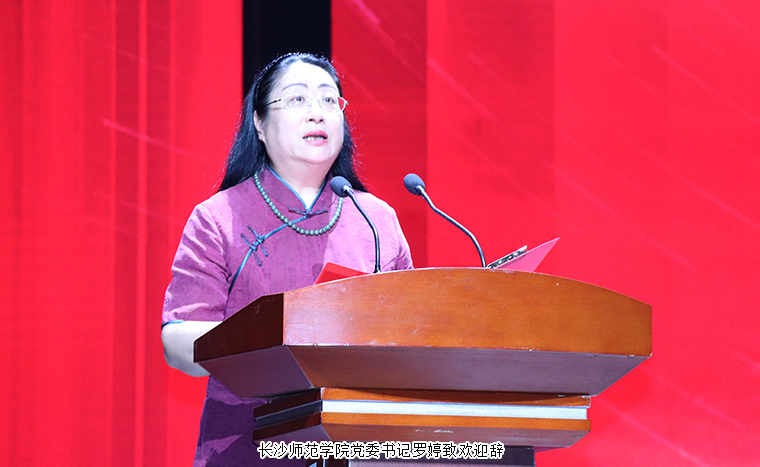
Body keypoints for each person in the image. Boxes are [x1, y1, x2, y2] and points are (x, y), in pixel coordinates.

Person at [160, 53, 414, 466]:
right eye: (297, 99)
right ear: (259, 124)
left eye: (329, 100)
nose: (317, 112)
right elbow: (177, 342)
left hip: (361, 446)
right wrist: (275, 344)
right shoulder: (220, 218)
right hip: (248, 445)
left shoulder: (376, 219)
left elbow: (411, 336)